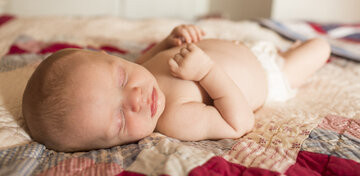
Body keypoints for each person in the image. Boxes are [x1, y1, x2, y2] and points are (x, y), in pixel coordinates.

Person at [22, 24, 331, 152]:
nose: (135, 97)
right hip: (270, 73)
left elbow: (148, 58)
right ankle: (297, 51)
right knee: (319, 47)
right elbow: (239, 123)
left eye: (120, 79)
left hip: (242, 47)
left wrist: (172, 40)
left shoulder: (141, 70)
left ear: (112, 58)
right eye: (119, 118)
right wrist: (207, 71)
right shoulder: (174, 118)